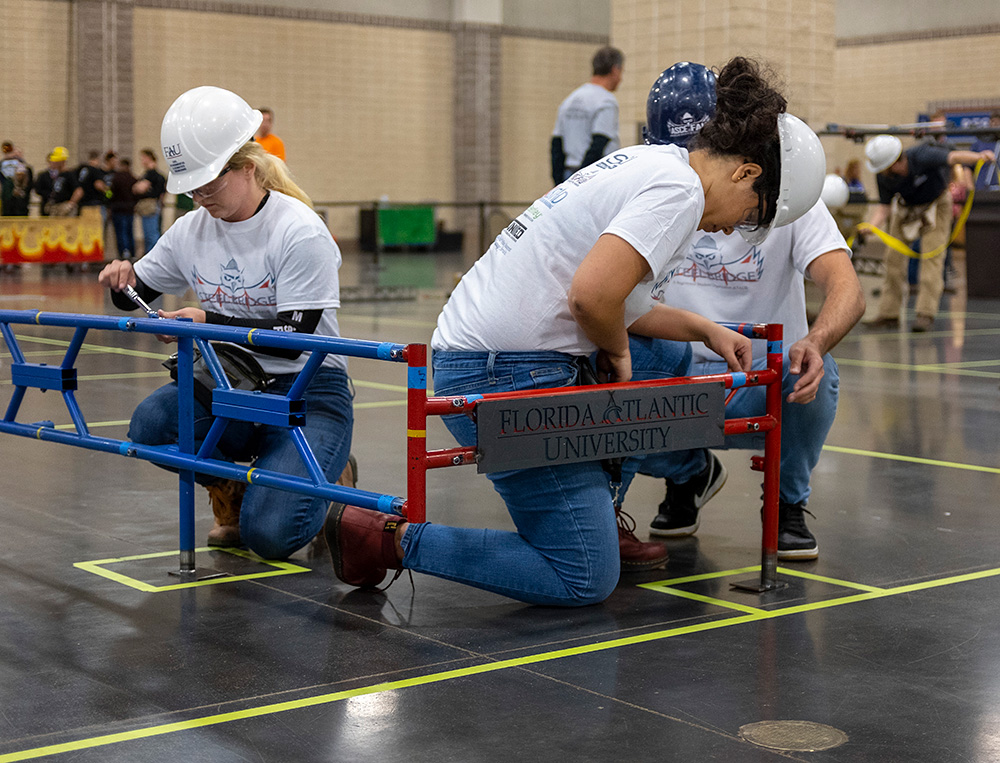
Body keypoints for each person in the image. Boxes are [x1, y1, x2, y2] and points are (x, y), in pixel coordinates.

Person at [325, 57, 826, 606]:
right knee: (583, 574)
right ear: (746, 172)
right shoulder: (679, 192)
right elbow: (592, 297)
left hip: (486, 361)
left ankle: (596, 510)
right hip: (507, 374)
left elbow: (626, 302)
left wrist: (703, 328)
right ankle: (380, 536)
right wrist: (617, 352)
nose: (736, 227)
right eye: (753, 213)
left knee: (663, 366)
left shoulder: (652, 163)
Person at [613, 63, 865, 561]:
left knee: (818, 374)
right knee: (622, 373)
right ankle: (688, 475)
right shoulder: (652, 193)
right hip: (678, 381)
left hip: (761, 380)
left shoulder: (787, 194)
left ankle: (787, 502)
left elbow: (847, 288)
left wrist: (813, 342)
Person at [97, 86, 353, 559]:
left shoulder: (299, 230)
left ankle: (329, 481)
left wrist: (204, 320)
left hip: (305, 390)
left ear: (247, 170)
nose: (200, 197)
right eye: (192, 188)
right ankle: (232, 491)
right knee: (151, 424)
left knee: (271, 537)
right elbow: (136, 298)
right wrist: (122, 281)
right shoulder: (192, 227)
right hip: (228, 384)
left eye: (210, 185)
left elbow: (292, 342)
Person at [863, 135, 995, 332]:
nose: (883, 172)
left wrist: (978, 157)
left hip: (937, 205)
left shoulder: (922, 155)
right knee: (892, 259)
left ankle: (925, 314)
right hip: (907, 209)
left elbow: (954, 157)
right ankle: (888, 314)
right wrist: (870, 227)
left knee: (932, 257)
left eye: (886, 168)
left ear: (896, 162)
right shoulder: (884, 175)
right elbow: (884, 207)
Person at [550, 46, 624, 186]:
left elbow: (556, 146)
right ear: (615, 70)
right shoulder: (606, 101)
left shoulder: (570, 100)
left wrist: (559, 184)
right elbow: (599, 144)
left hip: (568, 173)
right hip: (594, 177)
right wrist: (582, 180)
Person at [132, 148, 167, 254]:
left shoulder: (151, 174)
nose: (141, 161)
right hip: (155, 205)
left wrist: (138, 187)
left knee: (150, 234)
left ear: (148, 158)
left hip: (150, 206)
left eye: (143, 158)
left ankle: (153, 255)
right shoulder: (158, 176)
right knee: (151, 233)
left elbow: (138, 188)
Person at [33, 146, 78, 216]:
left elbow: (78, 190)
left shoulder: (70, 174)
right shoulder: (56, 175)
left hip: (64, 205)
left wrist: (71, 203)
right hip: (54, 206)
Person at [108, 157, 138, 260]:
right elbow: (137, 194)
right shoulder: (133, 179)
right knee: (130, 232)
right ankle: (133, 253)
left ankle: (124, 252)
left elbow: (109, 194)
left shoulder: (115, 179)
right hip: (130, 209)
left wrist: (106, 197)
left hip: (118, 209)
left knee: (121, 232)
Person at [1, 141, 33, 216]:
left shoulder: (27, 168)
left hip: (22, 202)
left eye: (18, 153)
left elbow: (29, 185)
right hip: (8, 201)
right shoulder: (5, 166)